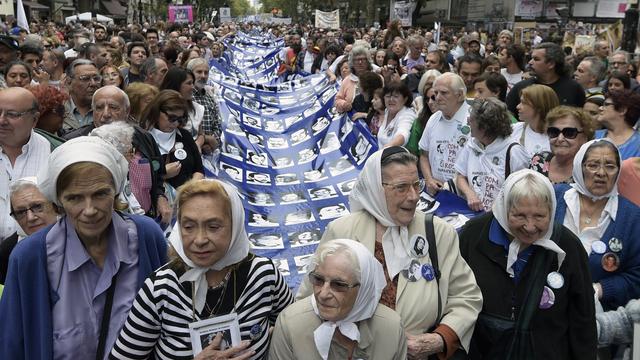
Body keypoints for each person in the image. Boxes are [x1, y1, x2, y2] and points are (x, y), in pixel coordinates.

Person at [297, 147, 482, 359]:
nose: (413, 196)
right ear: (376, 188)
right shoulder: (342, 232)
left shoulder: (438, 233)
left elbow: (466, 296)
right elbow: (307, 300)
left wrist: (440, 338)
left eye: (416, 185)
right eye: (401, 187)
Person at [0, 136, 168, 359]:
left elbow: (170, 320)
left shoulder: (146, 237)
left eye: (100, 194)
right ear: (58, 201)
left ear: (115, 192)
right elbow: (11, 344)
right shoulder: (30, 256)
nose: (89, 210)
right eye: (75, 198)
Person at [110, 178, 294, 359]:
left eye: (213, 226)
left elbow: (293, 330)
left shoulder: (264, 276)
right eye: (188, 226)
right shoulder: (160, 288)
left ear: (236, 226)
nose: (199, 240)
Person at [459, 169, 597, 359]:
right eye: (520, 216)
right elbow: (454, 298)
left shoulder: (568, 246)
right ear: (504, 207)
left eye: (540, 216)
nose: (530, 226)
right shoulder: (474, 236)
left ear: (552, 211)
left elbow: (583, 320)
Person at [270, 238, 407, 360]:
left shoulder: (391, 329)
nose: (323, 294)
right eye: (318, 279)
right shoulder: (290, 325)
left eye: (338, 285)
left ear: (363, 290)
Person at [554, 139, 640, 311]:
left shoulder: (632, 217)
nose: (601, 173)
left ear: (618, 171)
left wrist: (599, 290)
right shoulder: (555, 198)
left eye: (610, 166)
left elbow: (636, 276)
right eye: (593, 165)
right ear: (580, 166)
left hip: (596, 317)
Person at [455, 98, 529, 211]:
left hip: (501, 219)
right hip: (474, 215)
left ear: (484, 127)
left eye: (472, 119)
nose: (468, 120)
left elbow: (524, 193)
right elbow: (460, 176)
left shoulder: (514, 151)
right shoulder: (472, 143)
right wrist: (470, 194)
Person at [0, 87, 51, 240]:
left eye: (12, 114)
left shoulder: (54, 153)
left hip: (37, 254)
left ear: (34, 119)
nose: (2, 120)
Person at [418, 72, 472, 194]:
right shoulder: (433, 119)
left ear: (460, 95)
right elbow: (423, 155)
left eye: (444, 93)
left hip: (465, 196)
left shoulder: (474, 119)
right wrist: (429, 179)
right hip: (436, 192)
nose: (437, 98)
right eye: (436, 93)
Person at [141, 89, 204, 190]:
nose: (175, 124)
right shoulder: (142, 138)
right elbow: (136, 178)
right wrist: (163, 174)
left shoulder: (184, 135)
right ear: (157, 112)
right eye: (172, 118)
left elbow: (199, 170)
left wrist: (187, 190)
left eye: (180, 119)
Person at [0, 177, 59, 284]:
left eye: (37, 206)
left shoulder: (78, 238)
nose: (30, 218)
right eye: (21, 212)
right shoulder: (8, 250)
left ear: (55, 205)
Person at [506, 42, 585, 118]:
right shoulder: (522, 87)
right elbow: (508, 115)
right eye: (531, 58)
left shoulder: (573, 88)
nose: (530, 62)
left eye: (536, 59)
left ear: (551, 64)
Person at [529, 106, 595, 184]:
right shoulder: (539, 160)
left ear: (585, 138)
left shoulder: (590, 170)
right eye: (554, 132)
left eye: (569, 133)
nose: (560, 139)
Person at [511, 84, 560, 156]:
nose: (518, 106)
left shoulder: (558, 138)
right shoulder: (513, 130)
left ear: (539, 107)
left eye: (523, 103)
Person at [595, 90, 640, 160]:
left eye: (606, 105)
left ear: (622, 110)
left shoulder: (638, 144)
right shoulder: (593, 136)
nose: (600, 108)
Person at [376, 81, 416, 148]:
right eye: (388, 96)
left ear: (405, 99)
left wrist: (384, 150)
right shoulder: (387, 111)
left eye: (396, 96)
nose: (391, 99)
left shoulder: (408, 114)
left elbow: (402, 134)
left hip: (394, 156)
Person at [334, 45, 373, 113]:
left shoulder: (376, 78)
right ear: (352, 63)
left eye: (363, 59)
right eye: (357, 60)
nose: (360, 62)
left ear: (368, 61)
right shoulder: (347, 80)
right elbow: (338, 99)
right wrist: (344, 104)